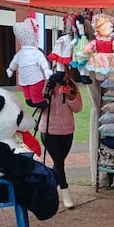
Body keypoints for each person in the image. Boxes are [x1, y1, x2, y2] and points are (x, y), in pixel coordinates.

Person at [39, 71, 83, 209]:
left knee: (58, 165)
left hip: (67, 131)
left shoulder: (72, 85)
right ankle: (65, 193)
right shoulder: (45, 84)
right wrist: (47, 96)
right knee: (59, 163)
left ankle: (46, 191)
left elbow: (78, 108)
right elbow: (38, 106)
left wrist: (70, 97)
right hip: (49, 131)